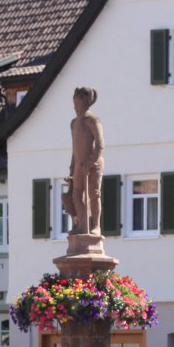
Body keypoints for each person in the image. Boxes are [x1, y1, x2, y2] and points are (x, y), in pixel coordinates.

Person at [66, 86, 105, 238]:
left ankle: (96, 226)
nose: (74, 106)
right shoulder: (74, 123)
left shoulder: (92, 120)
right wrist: (72, 166)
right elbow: (74, 148)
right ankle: (83, 224)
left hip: (93, 164)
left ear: (85, 102)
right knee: (76, 195)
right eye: (74, 102)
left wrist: (90, 162)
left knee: (93, 194)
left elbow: (100, 145)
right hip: (78, 164)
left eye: (77, 102)